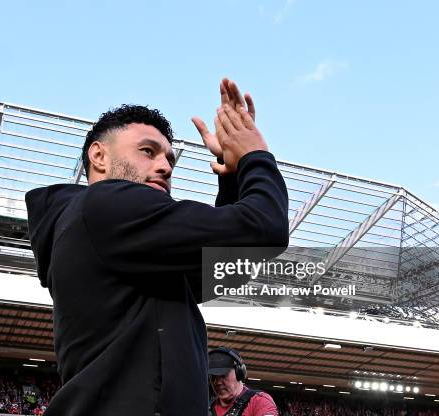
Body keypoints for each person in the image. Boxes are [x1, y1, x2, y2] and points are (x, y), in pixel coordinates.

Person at [25, 79, 289, 415]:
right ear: (99, 155)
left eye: (169, 160)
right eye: (147, 151)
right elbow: (265, 228)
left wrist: (233, 178)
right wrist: (255, 156)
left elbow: (228, 267)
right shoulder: (104, 205)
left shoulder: (118, 239)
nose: (164, 166)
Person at [209, 347, 278, 416]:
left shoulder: (259, 401)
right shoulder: (205, 407)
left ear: (239, 372)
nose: (217, 382)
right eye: (213, 376)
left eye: (223, 375)